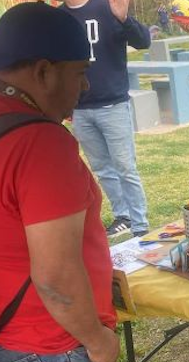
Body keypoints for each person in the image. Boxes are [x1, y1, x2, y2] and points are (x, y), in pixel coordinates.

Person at [0, 3, 118, 362]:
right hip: (52, 350)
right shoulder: (42, 142)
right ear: (43, 72)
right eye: (80, 72)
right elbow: (55, 277)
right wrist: (98, 341)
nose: (85, 86)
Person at [61, 0, 152, 238]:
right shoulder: (59, 16)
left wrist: (124, 19)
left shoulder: (107, 7)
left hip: (113, 104)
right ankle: (124, 216)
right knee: (102, 169)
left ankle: (140, 224)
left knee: (125, 167)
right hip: (80, 109)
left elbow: (143, 41)